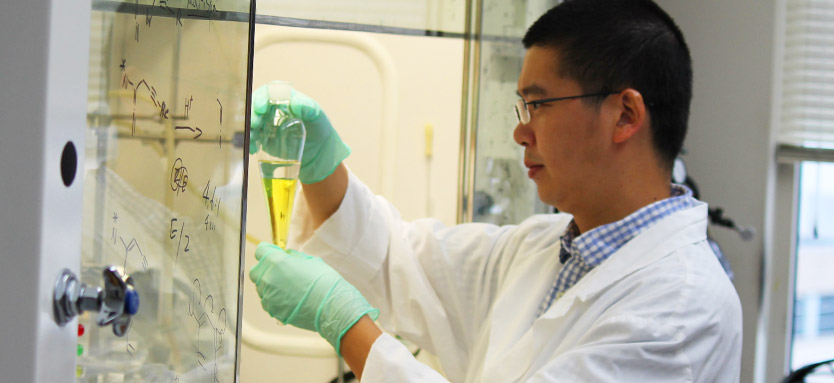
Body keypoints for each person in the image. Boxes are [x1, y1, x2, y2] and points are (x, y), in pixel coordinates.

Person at [247, 0, 743, 381]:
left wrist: (343, 322)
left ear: (625, 115)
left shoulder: (682, 312)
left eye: (539, 105)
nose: (520, 133)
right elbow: (395, 258)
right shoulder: (546, 248)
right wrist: (319, 164)